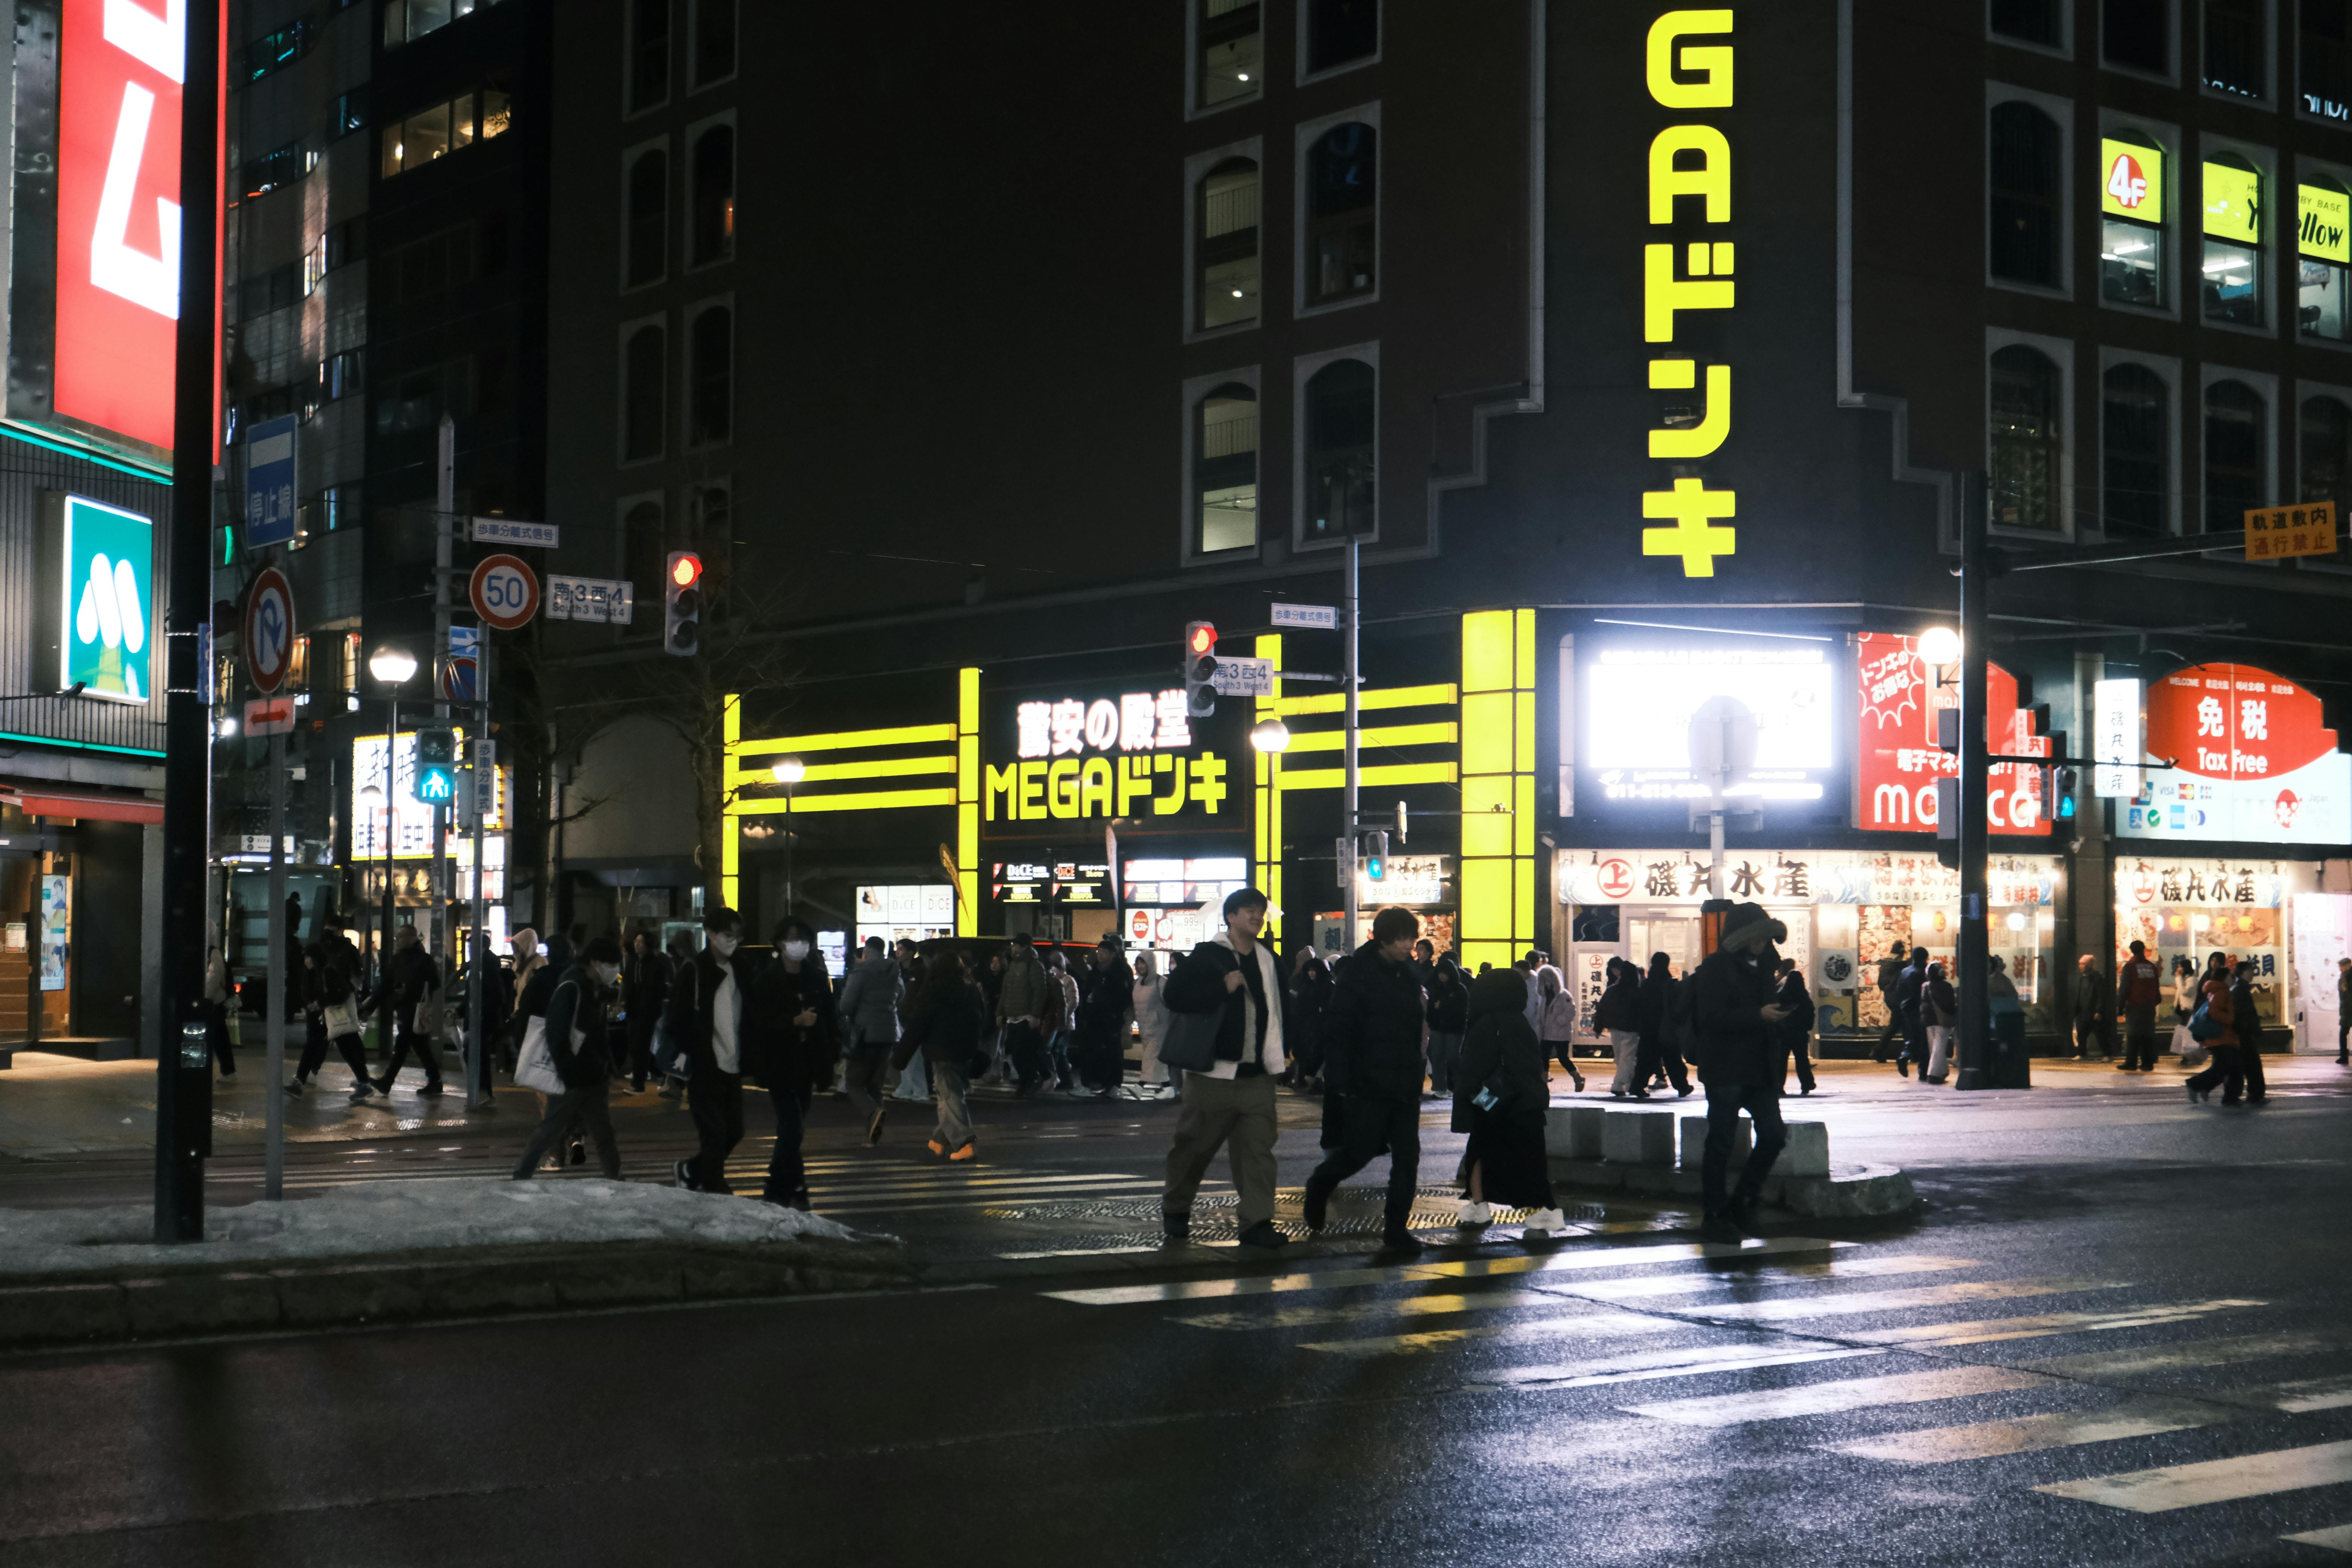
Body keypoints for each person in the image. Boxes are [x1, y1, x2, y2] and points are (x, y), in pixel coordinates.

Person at [1160, 887, 1288, 1250]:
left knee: (1258, 1154)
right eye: (1248, 910)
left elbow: (1280, 1012)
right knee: (1193, 1150)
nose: (1256, 917)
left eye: (1260, 912)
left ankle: (1257, 1222)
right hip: (1213, 1076)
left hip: (1258, 1077)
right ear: (1230, 917)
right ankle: (1176, 1208)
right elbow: (1175, 997)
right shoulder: (1209, 957)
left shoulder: (1270, 960)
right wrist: (1221, 988)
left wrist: (1288, 1054)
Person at [1303, 906, 1431, 1255]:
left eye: (1412, 938)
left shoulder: (1409, 974)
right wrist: (1340, 1081)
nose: (1410, 945)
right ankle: (1321, 1182)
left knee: (1408, 1157)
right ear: (1384, 938)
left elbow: (1413, 1027)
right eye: (1403, 938)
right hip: (1369, 1082)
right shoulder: (1358, 973)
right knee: (1359, 1152)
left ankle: (1396, 1229)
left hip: (1404, 1083)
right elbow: (1339, 1029)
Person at [1691, 902, 1795, 1242]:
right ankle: (1715, 1214)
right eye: (1756, 938)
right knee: (1721, 1141)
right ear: (1740, 938)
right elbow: (1711, 1018)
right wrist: (1758, 1016)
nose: (1762, 944)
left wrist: (1779, 1017)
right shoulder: (1716, 968)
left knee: (1774, 1134)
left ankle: (1745, 1198)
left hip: (1759, 1068)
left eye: (1766, 938)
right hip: (1725, 1068)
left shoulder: (1768, 966)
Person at [1452, 966, 1569, 1242]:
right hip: (1525, 1104)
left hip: (1495, 1106)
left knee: (1479, 1152)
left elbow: (1473, 1070)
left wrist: (1472, 1099)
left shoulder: (1485, 1024)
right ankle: (1542, 1210)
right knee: (1529, 1161)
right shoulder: (1520, 1023)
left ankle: (1478, 1206)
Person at [512, 937, 625, 1179]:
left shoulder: (596, 989)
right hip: (572, 1077)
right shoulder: (572, 988)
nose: (615, 969)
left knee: (604, 1134)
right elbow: (557, 1034)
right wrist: (569, 1075)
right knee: (550, 1130)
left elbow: (598, 1033)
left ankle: (617, 1180)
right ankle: (521, 1175)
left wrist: (608, 1064)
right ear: (595, 962)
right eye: (611, 963)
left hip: (594, 1075)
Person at [747, 917, 837, 1205]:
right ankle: (777, 1182)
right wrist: (794, 1021)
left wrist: (832, 1054)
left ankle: (795, 1183)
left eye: (803, 940)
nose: (798, 945)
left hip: (809, 1061)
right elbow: (759, 1023)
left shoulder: (816, 978)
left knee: (793, 1126)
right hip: (780, 1061)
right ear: (780, 943)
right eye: (792, 939)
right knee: (792, 1125)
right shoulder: (767, 981)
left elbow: (831, 1020)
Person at [669, 908, 754, 1192]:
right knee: (715, 1134)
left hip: (732, 1062)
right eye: (728, 935)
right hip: (704, 1065)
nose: (733, 941)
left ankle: (692, 1170)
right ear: (710, 934)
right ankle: (716, 1190)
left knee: (734, 1131)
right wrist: (694, 1053)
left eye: (737, 936)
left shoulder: (741, 968)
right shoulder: (695, 970)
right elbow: (677, 1019)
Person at [894, 948, 986, 1160]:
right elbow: (983, 1019)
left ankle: (965, 1142)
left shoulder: (933, 991)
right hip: (967, 1050)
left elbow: (919, 1026)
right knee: (950, 1096)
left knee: (950, 1097)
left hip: (942, 1050)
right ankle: (939, 1141)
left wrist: (900, 1057)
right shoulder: (970, 989)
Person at [836, 935, 906, 1143]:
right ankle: (873, 1130)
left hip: (865, 1033)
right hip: (889, 1033)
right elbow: (901, 995)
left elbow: (846, 1005)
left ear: (866, 952)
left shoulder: (862, 972)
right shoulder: (894, 972)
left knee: (854, 1083)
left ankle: (873, 1113)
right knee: (875, 1083)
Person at [375, 924, 445, 1096]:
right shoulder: (398, 959)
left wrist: (411, 989)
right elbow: (385, 985)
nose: (396, 941)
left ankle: (387, 1081)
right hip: (405, 1009)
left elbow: (435, 983)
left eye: (399, 937)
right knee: (421, 1047)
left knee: (402, 1046)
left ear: (410, 938)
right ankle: (435, 1081)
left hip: (414, 1010)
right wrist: (370, 1006)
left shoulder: (423, 959)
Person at [1074, 937, 1135, 1098]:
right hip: (1094, 1018)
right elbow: (1087, 990)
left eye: (1104, 952)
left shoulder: (1120, 971)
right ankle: (1092, 1083)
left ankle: (1113, 1084)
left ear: (1113, 954)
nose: (1100, 955)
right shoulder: (1096, 971)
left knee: (1113, 1052)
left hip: (1112, 1019)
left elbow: (1125, 996)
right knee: (1092, 1051)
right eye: (1099, 951)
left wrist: (1115, 1012)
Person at [996, 934, 1054, 1096]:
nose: (1014, 948)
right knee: (1018, 1052)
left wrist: (1035, 1015)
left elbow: (1040, 992)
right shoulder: (1013, 965)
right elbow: (1005, 991)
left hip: (1027, 1017)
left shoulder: (1035, 965)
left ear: (1026, 947)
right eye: (1014, 945)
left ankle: (1029, 1081)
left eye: (1017, 945)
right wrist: (1000, 1012)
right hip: (1013, 1017)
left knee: (1022, 1052)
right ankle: (1037, 1077)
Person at [1632, 952, 1693, 1098]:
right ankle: (1682, 1086)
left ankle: (1638, 1087)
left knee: (1646, 1060)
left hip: (1649, 1029)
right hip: (1666, 1028)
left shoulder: (1647, 984)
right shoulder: (1670, 983)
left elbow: (1641, 1006)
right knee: (1673, 1059)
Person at [2185, 957, 2240, 1105]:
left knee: (2226, 1067)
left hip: (2221, 1037)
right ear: (2224, 978)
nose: (2233, 979)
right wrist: (2229, 1019)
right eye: (2230, 976)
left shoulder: (2216, 990)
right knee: (2225, 1067)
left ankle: (2205, 1088)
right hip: (2221, 1037)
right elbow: (2214, 1012)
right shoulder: (2222, 991)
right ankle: (2195, 1084)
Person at [621, 929, 669, 1092]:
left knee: (640, 1046)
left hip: (647, 1012)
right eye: (636, 941)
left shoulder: (655, 964)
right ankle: (659, 1073)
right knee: (637, 1046)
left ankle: (639, 1083)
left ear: (648, 944)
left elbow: (654, 990)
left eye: (641, 941)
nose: (637, 944)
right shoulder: (634, 962)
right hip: (634, 1011)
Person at [890, 939, 933, 1104]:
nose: (897, 952)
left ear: (910, 952)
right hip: (900, 1016)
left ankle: (917, 1089)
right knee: (908, 1054)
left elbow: (923, 996)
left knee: (911, 1054)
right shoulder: (898, 970)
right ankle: (909, 1088)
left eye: (901, 949)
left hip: (914, 1017)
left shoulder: (921, 971)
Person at [1532, 964, 1586, 1092]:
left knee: (1563, 1057)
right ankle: (1544, 1082)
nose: (1545, 983)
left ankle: (1577, 1077)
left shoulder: (1564, 995)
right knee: (1544, 1057)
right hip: (1547, 1032)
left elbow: (1571, 1011)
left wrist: (1559, 1020)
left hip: (1561, 1033)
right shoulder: (1544, 996)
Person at [1287, 948, 1334, 1092]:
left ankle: (1313, 1080)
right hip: (1306, 1028)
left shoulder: (1327, 987)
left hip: (1321, 1028)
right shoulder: (1303, 986)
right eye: (1310, 970)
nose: (1312, 973)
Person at [2115, 940, 2165, 1073]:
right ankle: (2147, 1063)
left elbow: (2125, 988)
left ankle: (2131, 1063)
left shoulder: (2130, 967)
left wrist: (2120, 1006)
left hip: (2135, 1006)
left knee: (2133, 1035)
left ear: (2132, 951)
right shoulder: (2151, 967)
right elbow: (2156, 985)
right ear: (2143, 950)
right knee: (2147, 1035)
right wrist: (2155, 1000)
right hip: (2149, 1006)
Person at [1597, 957, 1644, 1097]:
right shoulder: (1637, 992)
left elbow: (1602, 1008)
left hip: (1615, 1029)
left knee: (1621, 1058)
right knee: (1628, 1058)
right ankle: (1619, 1084)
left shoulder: (1613, 990)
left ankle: (1631, 1084)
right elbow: (1642, 1012)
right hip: (1631, 1030)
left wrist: (1598, 1027)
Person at [1424, 955, 1469, 1097]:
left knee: (1452, 1057)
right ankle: (1440, 1087)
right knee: (1437, 1056)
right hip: (1438, 1026)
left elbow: (1461, 1009)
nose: (1441, 976)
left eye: (1444, 973)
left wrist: (1442, 1006)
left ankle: (1460, 1084)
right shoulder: (1437, 988)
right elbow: (1431, 1006)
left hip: (1454, 1028)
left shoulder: (1460, 989)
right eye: (1440, 973)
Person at [1775, 957, 1818, 1095]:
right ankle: (1807, 1084)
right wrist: (1807, 1027)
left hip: (1784, 1031)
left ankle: (1779, 1086)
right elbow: (1810, 1011)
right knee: (1802, 1059)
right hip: (1800, 1032)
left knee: (1782, 1060)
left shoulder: (1782, 994)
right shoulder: (1803, 997)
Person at [1132, 949, 1173, 1095]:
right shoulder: (1137, 984)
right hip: (1145, 1028)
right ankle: (1168, 1087)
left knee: (1150, 1058)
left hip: (1160, 1028)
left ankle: (1140, 1086)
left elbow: (1170, 1004)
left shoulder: (1161, 982)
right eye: (1138, 963)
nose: (1140, 966)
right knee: (1157, 1061)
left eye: (1143, 962)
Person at [2231, 957, 2269, 1104]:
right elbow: (2247, 1013)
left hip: (2241, 1032)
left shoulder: (2237, 988)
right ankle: (2255, 1094)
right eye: (2251, 971)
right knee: (2253, 1064)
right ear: (2243, 973)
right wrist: (2256, 1030)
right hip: (2245, 1033)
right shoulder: (2242, 990)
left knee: (2246, 1064)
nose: (2253, 974)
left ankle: (2248, 1093)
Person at [1893, 945, 1930, 1078]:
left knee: (1912, 1038)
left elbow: (1898, 990)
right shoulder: (1920, 974)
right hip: (1918, 1010)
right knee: (1924, 1041)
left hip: (1906, 1010)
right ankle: (1922, 1071)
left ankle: (1905, 1056)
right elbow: (1922, 994)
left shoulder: (1905, 971)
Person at [1920, 959, 1958, 1084]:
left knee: (1935, 1048)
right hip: (1943, 1021)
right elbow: (1950, 1005)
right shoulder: (1946, 987)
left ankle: (1942, 1071)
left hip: (1929, 1021)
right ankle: (1934, 1074)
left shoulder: (1925, 986)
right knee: (1940, 1047)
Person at [1872, 940, 1909, 1063]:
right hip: (1898, 999)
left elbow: (1882, 984)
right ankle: (1879, 1051)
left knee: (1899, 1024)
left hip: (1890, 998)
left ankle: (1880, 1051)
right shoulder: (1899, 965)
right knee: (1899, 1025)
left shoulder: (1886, 963)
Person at [204, 943, 236, 1081]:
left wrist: (205, 996)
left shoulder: (213, 953)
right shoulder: (213, 952)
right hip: (216, 1002)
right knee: (219, 1038)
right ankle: (228, 1071)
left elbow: (214, 975)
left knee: (218, 1038)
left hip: (214, 1002)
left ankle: (228, 1071)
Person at [2073, 952, 2112, 1061]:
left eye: (2083, 964)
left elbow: (2101, 996)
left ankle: (2107, 1054)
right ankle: (2082, 1054)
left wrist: (2099, 1011)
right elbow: (2079, 995)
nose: (2080, 966)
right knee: (2082, 1035)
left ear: (2089, 965)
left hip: (2093, 1012)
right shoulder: (2083, 978)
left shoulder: (2097, 979)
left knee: (2100, 1035)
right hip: (2083, 1012)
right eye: (2080, 964)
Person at [2338, 956, 2352, 1067]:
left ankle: (2344, 1056)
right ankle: (2344, 1056)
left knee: (2343, 1033)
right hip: (2346, 1009)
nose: (2341, 968)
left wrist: (2346, 990)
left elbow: (2347, 993)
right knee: (2343, 1033)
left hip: (2349, 1009)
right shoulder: (2344, 976)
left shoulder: (2348, 976)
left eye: (2342, 966)